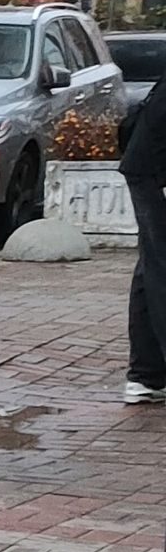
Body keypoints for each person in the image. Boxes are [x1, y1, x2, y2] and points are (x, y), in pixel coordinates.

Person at [125, 79, 166, 404]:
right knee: (160, 268)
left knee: (152, 266)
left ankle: (147, 375)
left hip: (149, 163)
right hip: (156, 168)